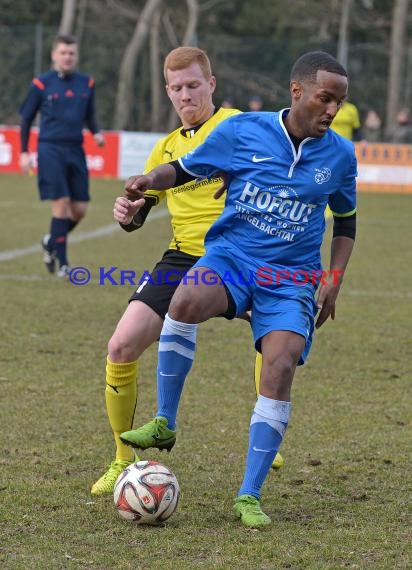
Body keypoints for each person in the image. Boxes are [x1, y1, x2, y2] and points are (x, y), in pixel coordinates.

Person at [120, 50, 357, 529]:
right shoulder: (244, 130)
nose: (332, 110)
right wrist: (149, 180)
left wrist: (333, 278)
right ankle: (165, 420)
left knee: (281, 363)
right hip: (234, 260)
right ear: (298, 92)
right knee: (184, 299)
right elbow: (184, 169)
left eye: (339, 101)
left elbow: (347, 220)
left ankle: (249, 495)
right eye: (325, 98)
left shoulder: (339, 155)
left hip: (291, 279)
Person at [91, 47, 283, 496]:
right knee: (120, 345)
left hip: (242, 254)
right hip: (183, 258)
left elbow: (283, 170)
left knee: (273, 337)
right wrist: (127, 213)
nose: (185, 95)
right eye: (176, 88)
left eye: (193, 85)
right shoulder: (166, 148)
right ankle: (122, 459)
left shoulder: (239, 126)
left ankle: (268, 440)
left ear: (211, 84)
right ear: (167, 92)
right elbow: (141, 211)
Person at [19, 34, 105, 279]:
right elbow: (26, 119)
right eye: (63, 53)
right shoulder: (41, 84)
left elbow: (90, 115)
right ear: (53, 55)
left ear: (76, 56)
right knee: (61, 204)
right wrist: (24, 151)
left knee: (79, 209)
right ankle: (64, 264)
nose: (67, 57)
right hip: (50, 149)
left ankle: (51, 241)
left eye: (71, 53)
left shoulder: (86, 83)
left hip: (75, 150)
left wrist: (96, 133)